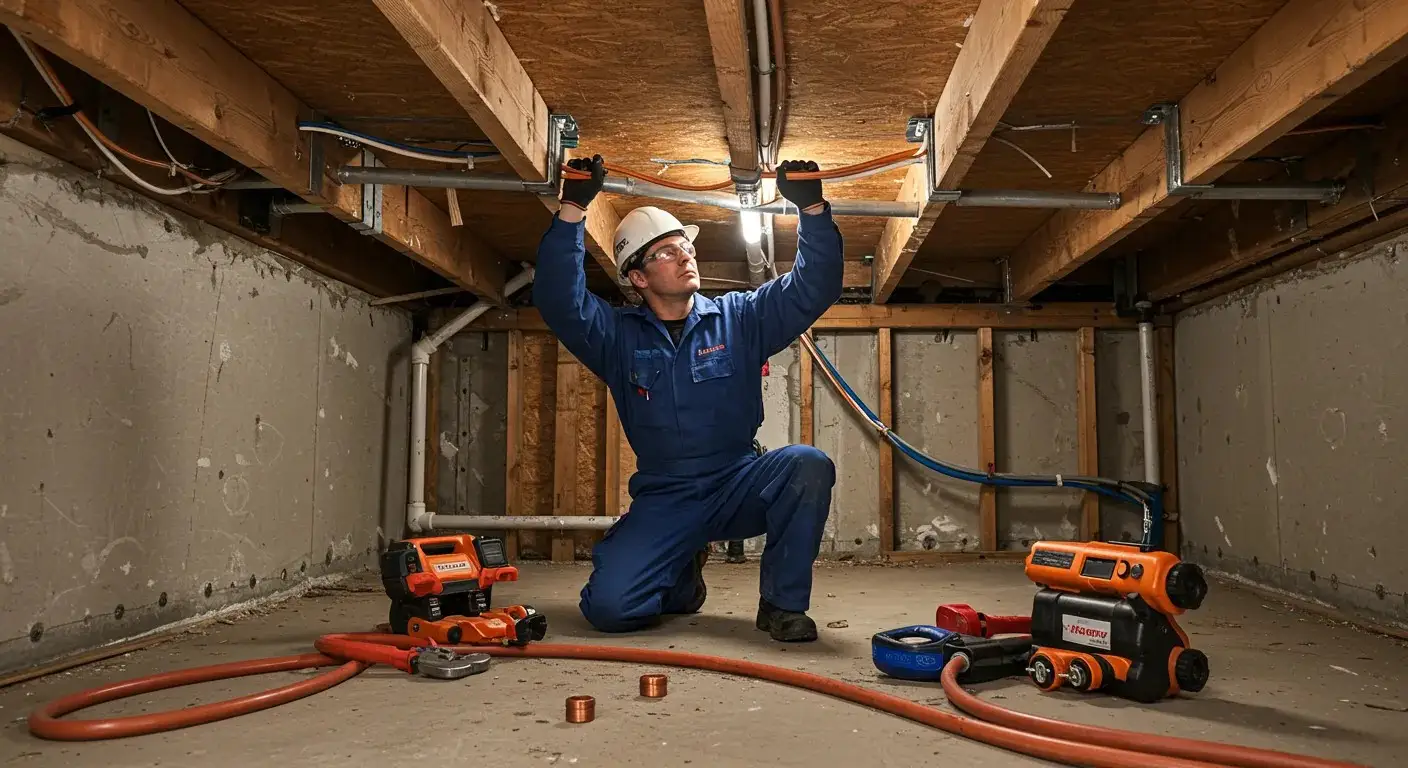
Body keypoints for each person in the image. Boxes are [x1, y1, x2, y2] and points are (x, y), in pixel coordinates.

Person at [532, 154, 844, 642]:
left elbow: (814, 287)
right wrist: (573, 207)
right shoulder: (616, 337)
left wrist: (814, 211)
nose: (685, 257)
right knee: (611, 610)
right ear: (638, 277)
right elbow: (559, 300)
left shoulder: (740, 317)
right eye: (667, 252)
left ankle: (782, 605)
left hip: (738, 479)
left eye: (686, 248)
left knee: (807, 463)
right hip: (667, 496)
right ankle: (680, 573)